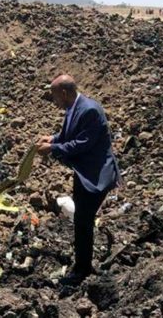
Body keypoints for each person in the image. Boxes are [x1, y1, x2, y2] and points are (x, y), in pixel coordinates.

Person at [36, 74, 121, 284]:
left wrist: (53, 149)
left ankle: (82, 270)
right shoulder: (75, 107)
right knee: (82, 221)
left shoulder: (90, 109)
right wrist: (53, 139)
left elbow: (81, 143)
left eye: (55, 96)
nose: (54, 101)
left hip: (96, 176)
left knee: (83, 221)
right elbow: (70, 134)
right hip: (84, 174)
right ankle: (83, 265)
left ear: (64, 93)